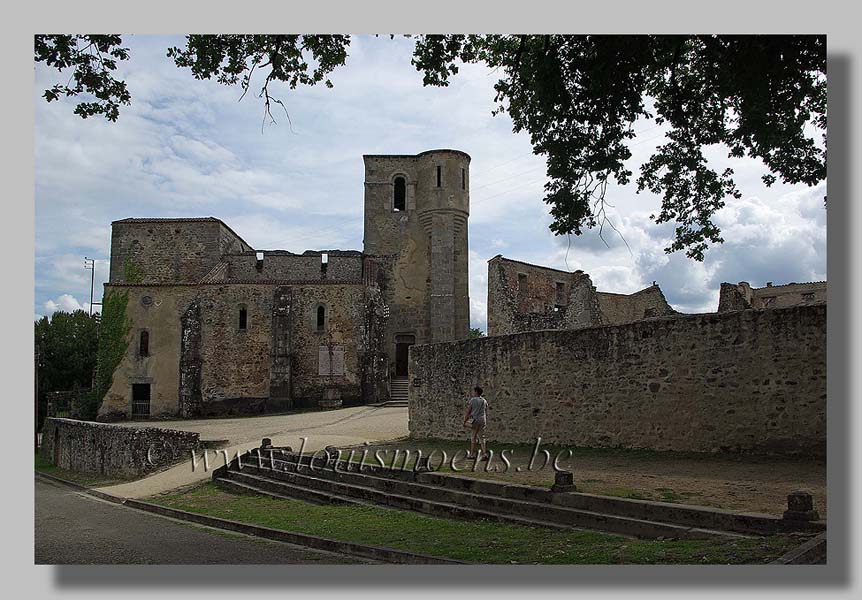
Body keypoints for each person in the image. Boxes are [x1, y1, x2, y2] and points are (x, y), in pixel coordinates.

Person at [463, 386, 489, 460]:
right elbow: (486, 410)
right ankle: (484, 454)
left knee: (473, 436)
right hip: (483, 419)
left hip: (475, 420)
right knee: (482, 437)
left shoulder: (473, 400)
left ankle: (471, 454)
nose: (473, 393)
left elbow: (469, 411)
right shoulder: (484, 400)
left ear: (476, 392)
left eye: (474, 391)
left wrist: (465, 420)